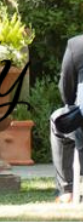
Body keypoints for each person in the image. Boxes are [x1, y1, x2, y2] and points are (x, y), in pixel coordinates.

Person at [50, 34, 83, 203]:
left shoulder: (77, 45)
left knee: (58, 120)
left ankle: (66, 190)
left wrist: (72, 107)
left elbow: (67, 92)